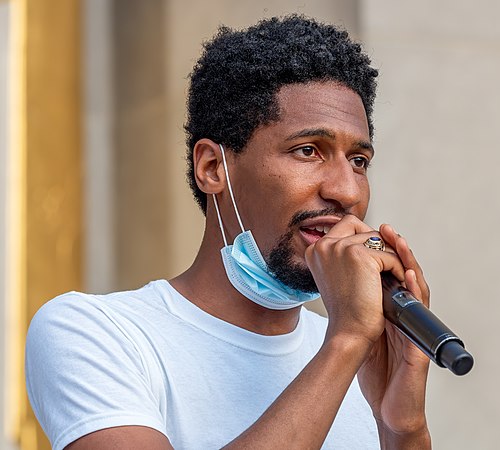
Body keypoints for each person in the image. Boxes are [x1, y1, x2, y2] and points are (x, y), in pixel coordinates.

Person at [26, 15, 432, 449]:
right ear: (213, 167)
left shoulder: (364, 358)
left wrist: (402, 428)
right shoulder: (99, 332)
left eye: (358, 161)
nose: (347, 190)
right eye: (308, 150)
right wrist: (346, 341)